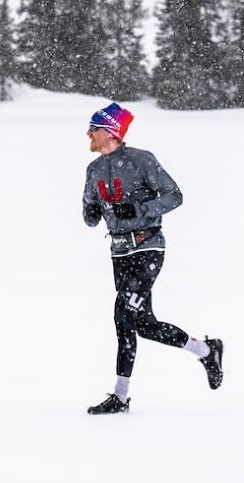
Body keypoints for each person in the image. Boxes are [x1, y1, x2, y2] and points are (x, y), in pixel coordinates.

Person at [82, 102, 223, 415]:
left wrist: (140, 210)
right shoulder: (92, 170)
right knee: (144, 324)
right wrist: (91, 212)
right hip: (119, 253)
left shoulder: (141, 160)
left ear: (110, 132)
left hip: (148, 249)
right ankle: (206, 350)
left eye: (94, 128)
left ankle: (120, 397)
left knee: (122, 314)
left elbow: (175, 196)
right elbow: (89, 216)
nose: (88, 133)